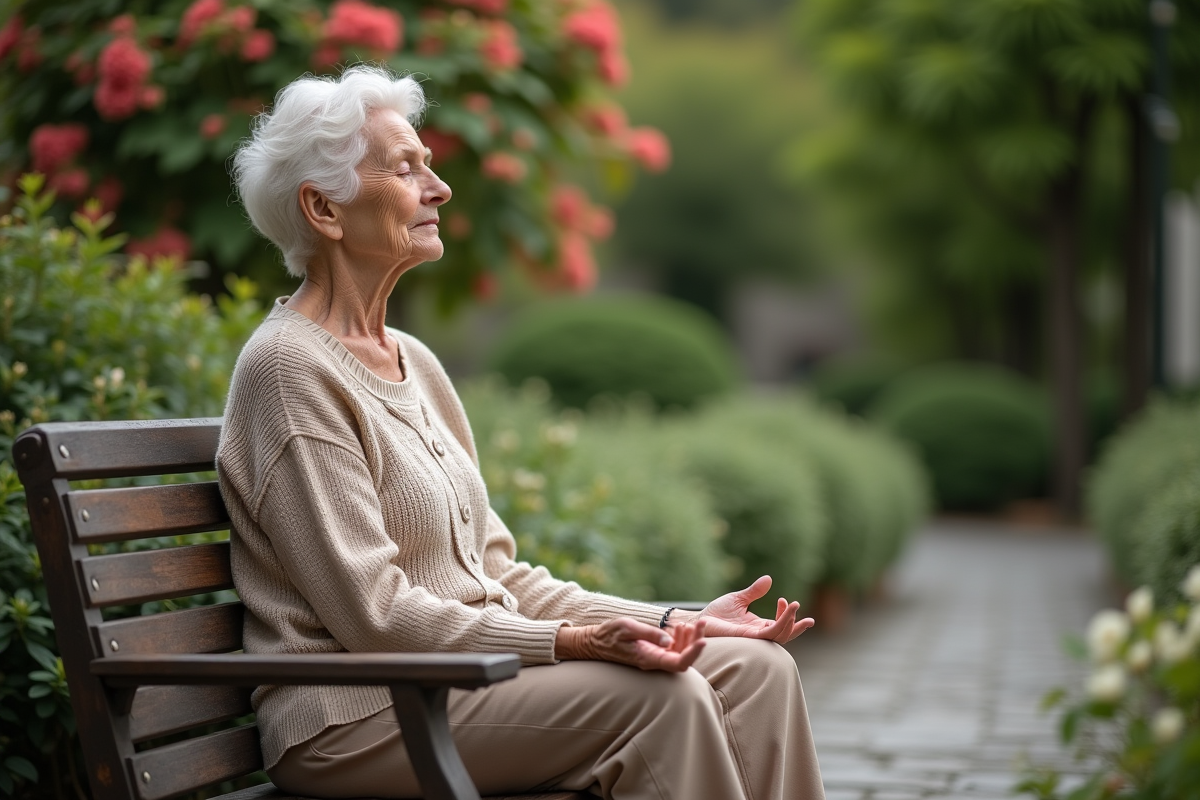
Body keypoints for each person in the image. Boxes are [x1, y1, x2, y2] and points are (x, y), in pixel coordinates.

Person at [217, 64, 825, 800]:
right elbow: (375, 616)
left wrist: (675, 619)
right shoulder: (289, 370)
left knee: (757, 671)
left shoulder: (418, 364)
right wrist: (568, 645)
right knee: (663, 700)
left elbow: (496, 578)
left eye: (430, 167)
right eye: (407, 170)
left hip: (461, 686)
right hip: (359, 716)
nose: (439, 190)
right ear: (325, 209)